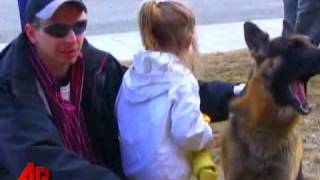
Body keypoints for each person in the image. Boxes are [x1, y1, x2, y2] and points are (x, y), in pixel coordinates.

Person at [0, 0, 242, 179]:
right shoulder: (11, 87)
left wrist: (238, 94)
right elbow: (37, 163)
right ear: (31, 32)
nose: (72, 39)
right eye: (58, 30)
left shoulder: (97, 67)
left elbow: (166, 90)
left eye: (80, 26)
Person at [116, 1, 234, 179]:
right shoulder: (181, 81)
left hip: (134, 171)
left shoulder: (131, 76)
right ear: (189, 41)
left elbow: (120, 113)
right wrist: (205, 131)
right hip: (168, 173)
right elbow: (187, 132)